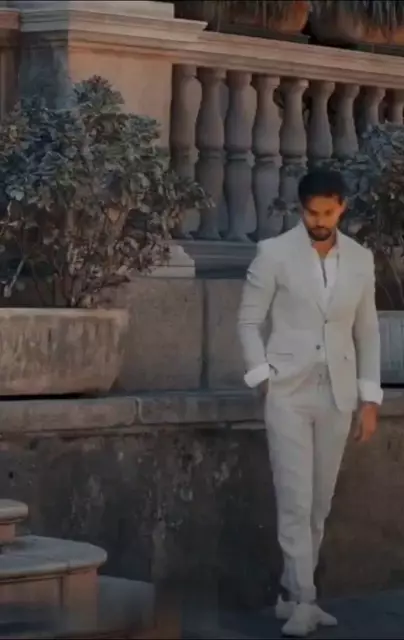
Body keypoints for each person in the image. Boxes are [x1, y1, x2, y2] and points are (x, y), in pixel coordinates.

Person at [237, 169, 382, 637]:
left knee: (319, 502)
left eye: (328, 212)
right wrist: (263, 379)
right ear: (301, 209)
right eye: (311, 212)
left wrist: (369, 398)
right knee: (295, 499)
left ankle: (289, 591)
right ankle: (305, 598)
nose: (319, 221)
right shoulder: (273, 253)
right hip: (288, 393)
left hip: (338, 393)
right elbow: (248, 321)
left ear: (341, 208)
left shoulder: (360, 258)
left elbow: (367, 331)